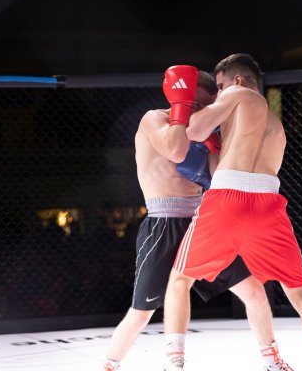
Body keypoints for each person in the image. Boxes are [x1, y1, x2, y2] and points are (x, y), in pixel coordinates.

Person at [162, 54, 302, 371]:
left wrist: (182, 108)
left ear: (236, 80)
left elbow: (194, 130)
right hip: (268, 204)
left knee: (180, 279)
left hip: (227, 199)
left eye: (220, 86)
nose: (218, 94)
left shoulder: (237, 94)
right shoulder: (277, 127)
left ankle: (174, 363)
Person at [103, 68, 289, 371]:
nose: (200, 112)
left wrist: (215, 143)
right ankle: (111, 365)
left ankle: (273, 361)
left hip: (203, 220)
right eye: (196, 104)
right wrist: (181, 107)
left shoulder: (205, 128)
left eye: (206, 106)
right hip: (163, 223)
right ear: (182, 97)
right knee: (141, 312)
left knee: (254, 290)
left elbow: (216, 178)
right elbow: (176, 151)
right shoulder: (154, 119)